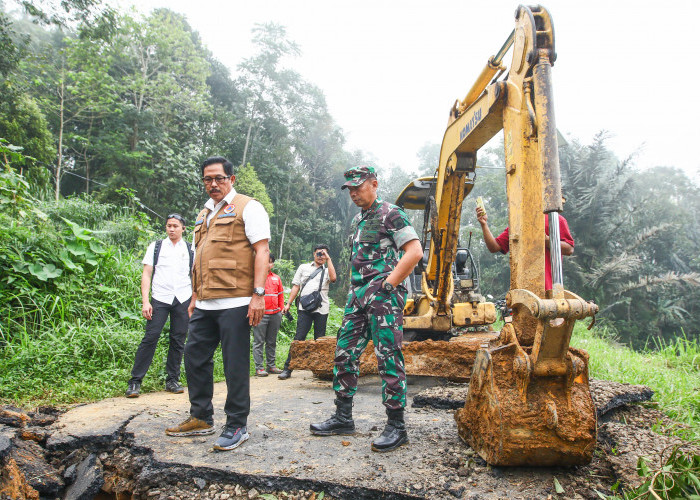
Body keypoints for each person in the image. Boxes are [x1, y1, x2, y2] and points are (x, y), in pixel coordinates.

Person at [310, 165, 423, 453]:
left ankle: (396, 425)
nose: (353, 193)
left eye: (358, 187)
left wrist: (389, 284)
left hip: (383, 299)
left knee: (388, 357)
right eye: (349, 189)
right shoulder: (360, 220)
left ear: (374, 183)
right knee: (344, 353)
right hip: (357, 298)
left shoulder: (391, 213)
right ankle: (343, 417)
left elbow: (414, 251)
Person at [165, 156, 270, 452]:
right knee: (194, 355)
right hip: (205, 303)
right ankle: (201, 416)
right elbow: (201, 258)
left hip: (237, 300)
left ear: (231, 179)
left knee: (234, 364)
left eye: (219, 178)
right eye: (208, 179)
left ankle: (237, 424)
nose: (213, 184)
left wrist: (258, 294)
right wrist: (195, 295)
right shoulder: (203, 214)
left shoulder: (249, 207)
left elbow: (262, 251)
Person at [126, 213, 193, 398]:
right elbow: (147, 274)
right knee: (150, 337)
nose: (171, 229)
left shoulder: (190, 249)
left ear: (183, 229)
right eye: (169, 225)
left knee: (178, 339)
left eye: (175, 226)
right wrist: (145, 301)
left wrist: (193, 301)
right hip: (160, 298)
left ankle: (172, 380)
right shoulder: (156, 247)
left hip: (182, 298)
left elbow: (195, 276)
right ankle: (135, 382)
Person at [475, 203, 574, 290]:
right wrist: (484, 224)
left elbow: (569, 249)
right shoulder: (518, 222)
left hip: (549, 288)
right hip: (521, 288)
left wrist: (546, 240)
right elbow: (494, 247)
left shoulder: (555, 219)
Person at [278, 244, 337, 380]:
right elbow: (296, 286)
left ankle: (319, 371)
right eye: (319, 253)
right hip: (304, 308)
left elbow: (333, 279)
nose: (321, 256)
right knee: (299, 337)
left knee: (320, 339)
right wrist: (288, 304)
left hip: (321, 308)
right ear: (313, 254)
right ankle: (287, 368)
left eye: (324, 254)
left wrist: (329, 260)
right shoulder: (303, 268)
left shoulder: (328, 269)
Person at [252, 255, 284, 377]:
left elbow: (280, 295)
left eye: (270, 263)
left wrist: (281, 310)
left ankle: (271, 366)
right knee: (259, 341)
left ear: (273, 264)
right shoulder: (255, 278)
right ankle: (259, 368)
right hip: (260, 314)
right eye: (266, 262)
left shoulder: (276, 278)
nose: (268, 265)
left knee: (272, 341)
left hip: (275, 314)